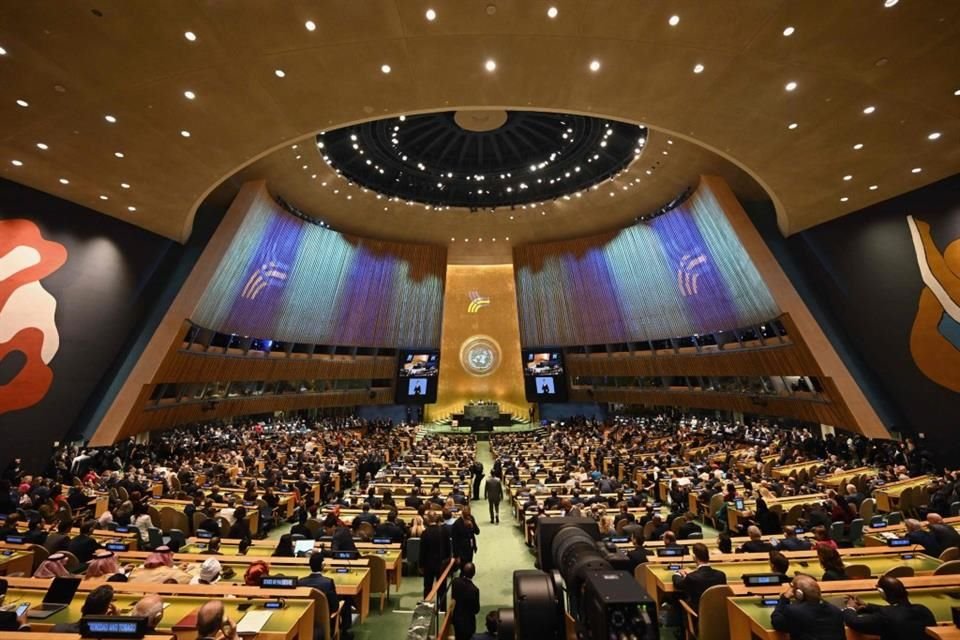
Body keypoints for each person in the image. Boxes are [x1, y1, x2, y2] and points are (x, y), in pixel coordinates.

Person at [842, 576, 936, 640]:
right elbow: (898, 610)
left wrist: (850, 608)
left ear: (882, 593)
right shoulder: (923, 610)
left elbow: (855, 622)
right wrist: (868, 606)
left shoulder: (886, 616)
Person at [771, 574, 845, 640]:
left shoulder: (794, 611)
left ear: (799, 594)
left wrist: (784, 598)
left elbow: (776, 622)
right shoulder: (836, 611)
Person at [300, 552, 351, 637]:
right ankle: (345, 633)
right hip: (327, 623)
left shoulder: (300, 582)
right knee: (345, 600)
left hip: (306, 621)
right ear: (322, 565)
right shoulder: (328, 582)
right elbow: (335, 607)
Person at [671, 543, 727, 611]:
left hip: (697, 615)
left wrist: (677, 574)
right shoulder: (721, 575)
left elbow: (678, 584)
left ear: (694, 557)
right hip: (718, 614)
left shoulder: (692, 577)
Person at [52, 584, 116, 633]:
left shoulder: (57, 629)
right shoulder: (108, 634)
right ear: (105, 613)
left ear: (82, 608)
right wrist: (116, 618)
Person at [419, 513, 452, 608]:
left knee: (428, 587)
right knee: (442, 588)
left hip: (428, 564)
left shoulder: (425, 533)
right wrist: (448, 561)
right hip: (442, 564)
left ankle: (426, 607)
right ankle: (442, 608)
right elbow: (448, 548)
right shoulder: (444, 531)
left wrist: (421, 566)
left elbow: (422, 551)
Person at [451, 562, 480, 640]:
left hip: (457, 620)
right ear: (473, 573)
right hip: (468, 623)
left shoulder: (455, 582)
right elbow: (476, 610)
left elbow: (453, 598)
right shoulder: (474, 590)